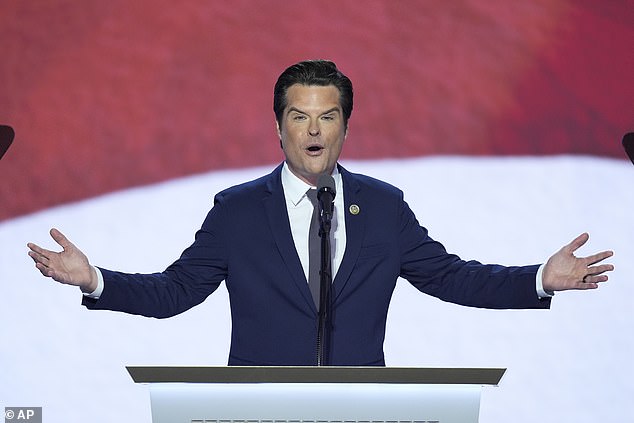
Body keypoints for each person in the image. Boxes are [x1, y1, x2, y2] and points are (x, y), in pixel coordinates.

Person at [27, 60, 614, 366]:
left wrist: (540, 278)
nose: (313, 129)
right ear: (278, 128)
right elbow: (175, 292)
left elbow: (452, 277)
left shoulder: (383, 208)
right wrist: (95, 279)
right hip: (254, 411)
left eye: (327, 116)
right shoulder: (235, 212)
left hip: (363, 409)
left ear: (345, 127)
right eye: (299, 116)